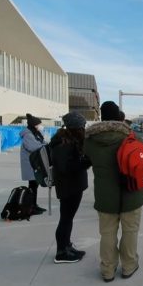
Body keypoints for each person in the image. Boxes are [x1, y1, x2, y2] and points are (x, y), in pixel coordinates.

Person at [83, 100, 143, 282]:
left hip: (105, 195)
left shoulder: (90, 140)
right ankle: (129, 266)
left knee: (107, 233)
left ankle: (108, 270)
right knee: (130, 231)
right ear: (119, 115)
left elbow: (85, 158)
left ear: (101, 116)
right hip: (131, 192)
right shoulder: (130, 136)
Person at [50, 111, 91, 264]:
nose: (84, 128)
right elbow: (64, 167)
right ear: (75, 127)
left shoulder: (68, 139)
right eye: (82, 126)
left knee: (68, 218)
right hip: (68, 187)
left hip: (72, 185)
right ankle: (61, 252)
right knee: (65, 219)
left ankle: (67, 246)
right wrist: (87, 162)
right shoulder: (62, 142)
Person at [19, 113, 47, 214]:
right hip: (30, 164)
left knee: (35, 185)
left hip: (34, 163)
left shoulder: (35, 133)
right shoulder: (28, 135)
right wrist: (44, 145)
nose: (41, 126)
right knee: (33, 186)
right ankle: (31, 207)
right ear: (34, 125)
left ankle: (33, 205)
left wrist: (44, 144)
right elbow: (33, 147)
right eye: (39, 124)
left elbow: (41, 143)